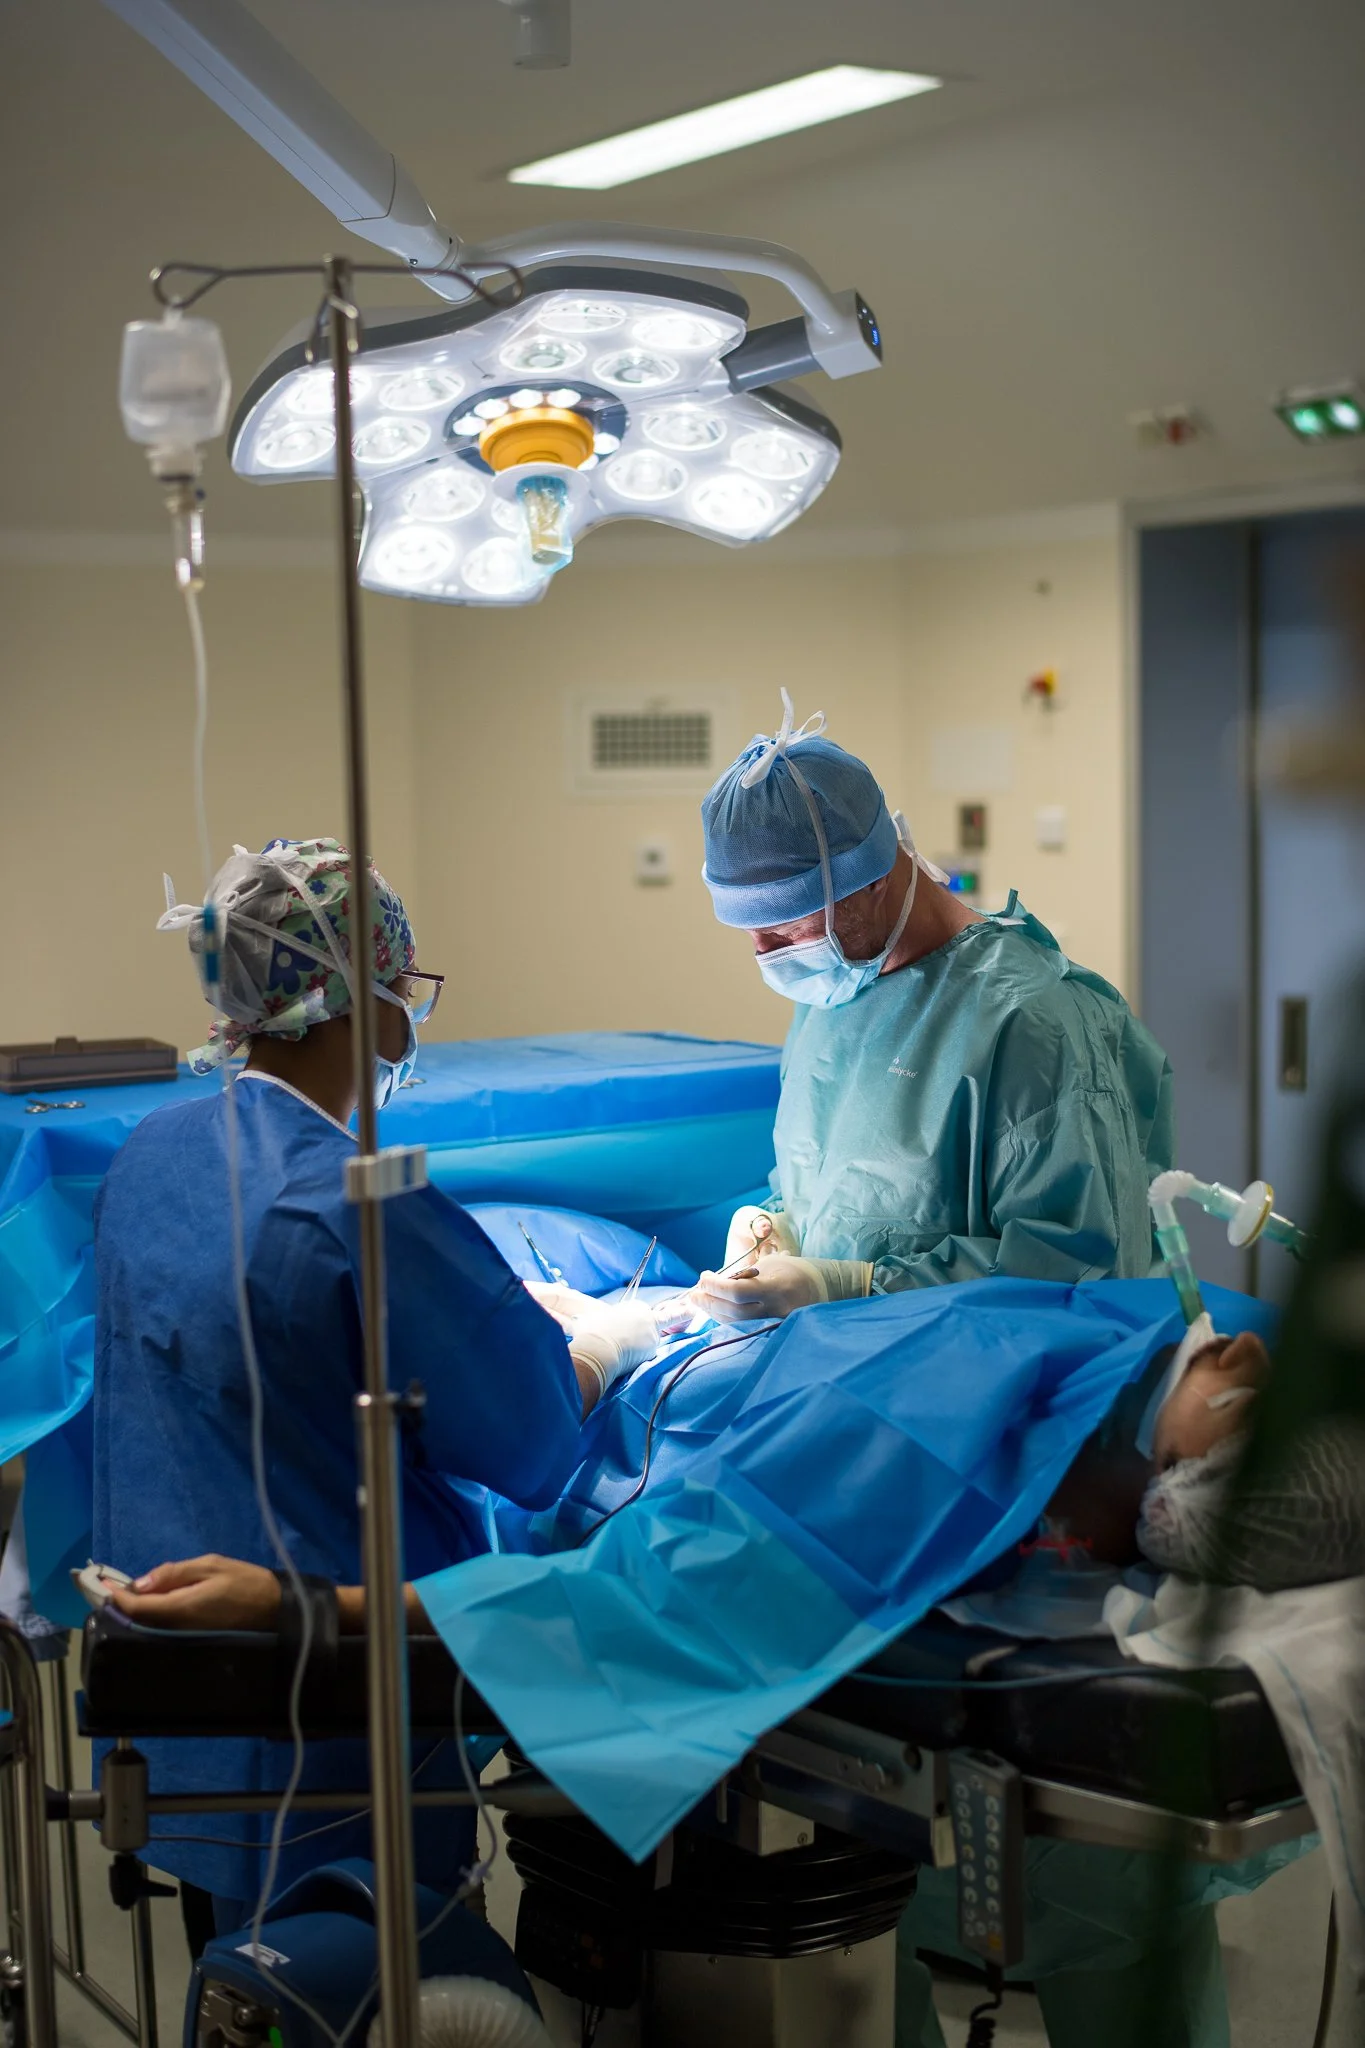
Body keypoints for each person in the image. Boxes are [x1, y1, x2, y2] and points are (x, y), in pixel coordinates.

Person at [92, 835, 654, 1932]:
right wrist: (609, 1342)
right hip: (338, 1707)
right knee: (364, 1976)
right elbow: (534, 1444)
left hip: (182, 1704)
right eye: (404, 986)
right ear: (367, 998)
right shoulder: (367, 1198)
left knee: (251, 1973)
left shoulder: (150, 1155)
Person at [692, 692, 1174, 1322]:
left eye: (784, 927)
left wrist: (849, 1287)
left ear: (872, 880)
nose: (763, 951)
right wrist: (778, 1227)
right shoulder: (834, 995)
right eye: (747, 930)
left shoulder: (1031, 1020)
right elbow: (842, 1194)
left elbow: (1080, 1272)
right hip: (840, 1368)